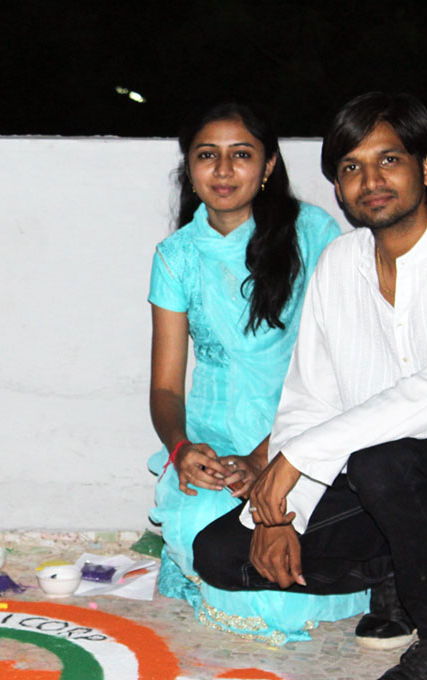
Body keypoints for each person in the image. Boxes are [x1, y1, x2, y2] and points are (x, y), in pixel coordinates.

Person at [193, 93, 427, 680]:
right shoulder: (339, 263)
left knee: (387, 461)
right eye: (351, 168)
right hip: (372, 481)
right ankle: (402, 575)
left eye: (389, 160)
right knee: (219, 555)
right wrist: (280, 516)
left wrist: (294, 460)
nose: (371, 180)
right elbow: (311, 398)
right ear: (339, 189)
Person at [146, 101, 367, 644]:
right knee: (202, 532)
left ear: (268, 166)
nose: (223, 170)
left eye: (241, 155)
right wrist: (182, 449)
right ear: (189, 169)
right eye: (207, 156)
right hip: (217, 443)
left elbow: (342, 369)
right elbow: (166, 386)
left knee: (280, 591)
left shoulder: (312, 234)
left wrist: (263, 458)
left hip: (304, 434)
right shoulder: (176, 256)